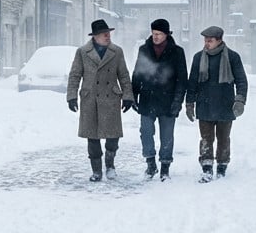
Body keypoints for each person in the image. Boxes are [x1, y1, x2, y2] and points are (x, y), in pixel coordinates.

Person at [67, 19, 134, 182]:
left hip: (110, 97)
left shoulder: (117, 51)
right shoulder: (83, 52)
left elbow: (123, 75)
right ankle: (96, 170)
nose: (107, 36)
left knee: (113, 136)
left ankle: (110, 165)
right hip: (91, 99)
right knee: (93, 136)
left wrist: (127, 96)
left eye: (109, 33)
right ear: (95, 36)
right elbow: (75, 74)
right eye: (104, 34)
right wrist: (72, 96)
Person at [183, 25, 248, 183]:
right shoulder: (199, 58)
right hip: (204, 105)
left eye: (210, 40)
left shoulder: (232, 57)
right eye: (205, 40)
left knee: (224, 138)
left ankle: (222, 167)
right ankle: (206, 169)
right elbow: (192, 82)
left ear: (219, 40)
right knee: (206, 138)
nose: (206, 43)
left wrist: (240, 100)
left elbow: (241, 81)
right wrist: (190, 103)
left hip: (226, 105)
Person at [131, 18, 187, 180]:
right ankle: (150, 163)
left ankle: (165, 167)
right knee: (146, 132)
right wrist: (133, 96)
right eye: (153, 33)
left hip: (168, 100)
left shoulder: (177, 52)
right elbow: (137, 74)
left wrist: (178, 101)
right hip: (148, 99)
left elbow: (182, 79)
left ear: (166, 34)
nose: (155, 37)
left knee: (167, 135)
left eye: (159, 34)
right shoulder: (144, 50)